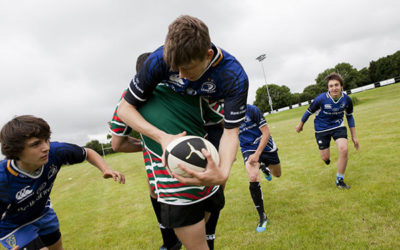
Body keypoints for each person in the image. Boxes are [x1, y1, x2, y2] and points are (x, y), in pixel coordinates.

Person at [117, 15, 248, 249]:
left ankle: (201, 231)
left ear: (207, 55)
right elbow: (124, 109)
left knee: (213, 194)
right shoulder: (159, 60)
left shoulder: (234, 76)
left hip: (211, 125)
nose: (180, 75)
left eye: (186, 68)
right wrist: (162, 137)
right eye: (174, 68)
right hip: (180, 129)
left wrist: (224, 171)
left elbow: (230, 132)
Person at [0, 115, 125, 250]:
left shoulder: (57, 152)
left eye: (46, 139)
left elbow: (87, 153)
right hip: (14, 226)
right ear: (16, 150)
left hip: (43, 213)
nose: (46, 147)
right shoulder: (3, 180)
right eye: (36, 144)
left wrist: (106, 169)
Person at [296, 72, 360, 189]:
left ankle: (339, 180)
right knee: (325, 158)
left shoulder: (346, 100)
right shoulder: (320, 99)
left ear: (341, 86)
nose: (334, 88)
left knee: (344, 149)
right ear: (328, 88)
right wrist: (301, 124)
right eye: (331, 86)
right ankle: (326, 160)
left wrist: (354, 136)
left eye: (336, 85)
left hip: (338, 127)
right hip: (321, 129)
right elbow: (309, 111)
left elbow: (349, 116)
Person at [238, 104, 281, 232]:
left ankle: (264, 167)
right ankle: (262, 216)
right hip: (248, 148)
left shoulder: (252, 110)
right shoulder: (227, 114)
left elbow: (266, 132)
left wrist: (258, 154)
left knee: (277, 174)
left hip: (265, 145)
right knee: (252, 176)